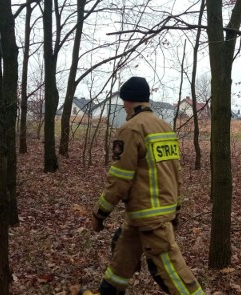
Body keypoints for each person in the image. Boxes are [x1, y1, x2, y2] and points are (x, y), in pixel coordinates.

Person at [80, 77, 204, 295]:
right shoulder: (165, 128)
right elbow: (176, 173)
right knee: (122, 260)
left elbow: (119, 180)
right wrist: (175, 209)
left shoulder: (131, 129)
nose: (123, 106)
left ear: (129, 101)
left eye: (123, 101)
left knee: (173, 273)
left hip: (149, 216)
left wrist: (99, 214)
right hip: (149, 213)